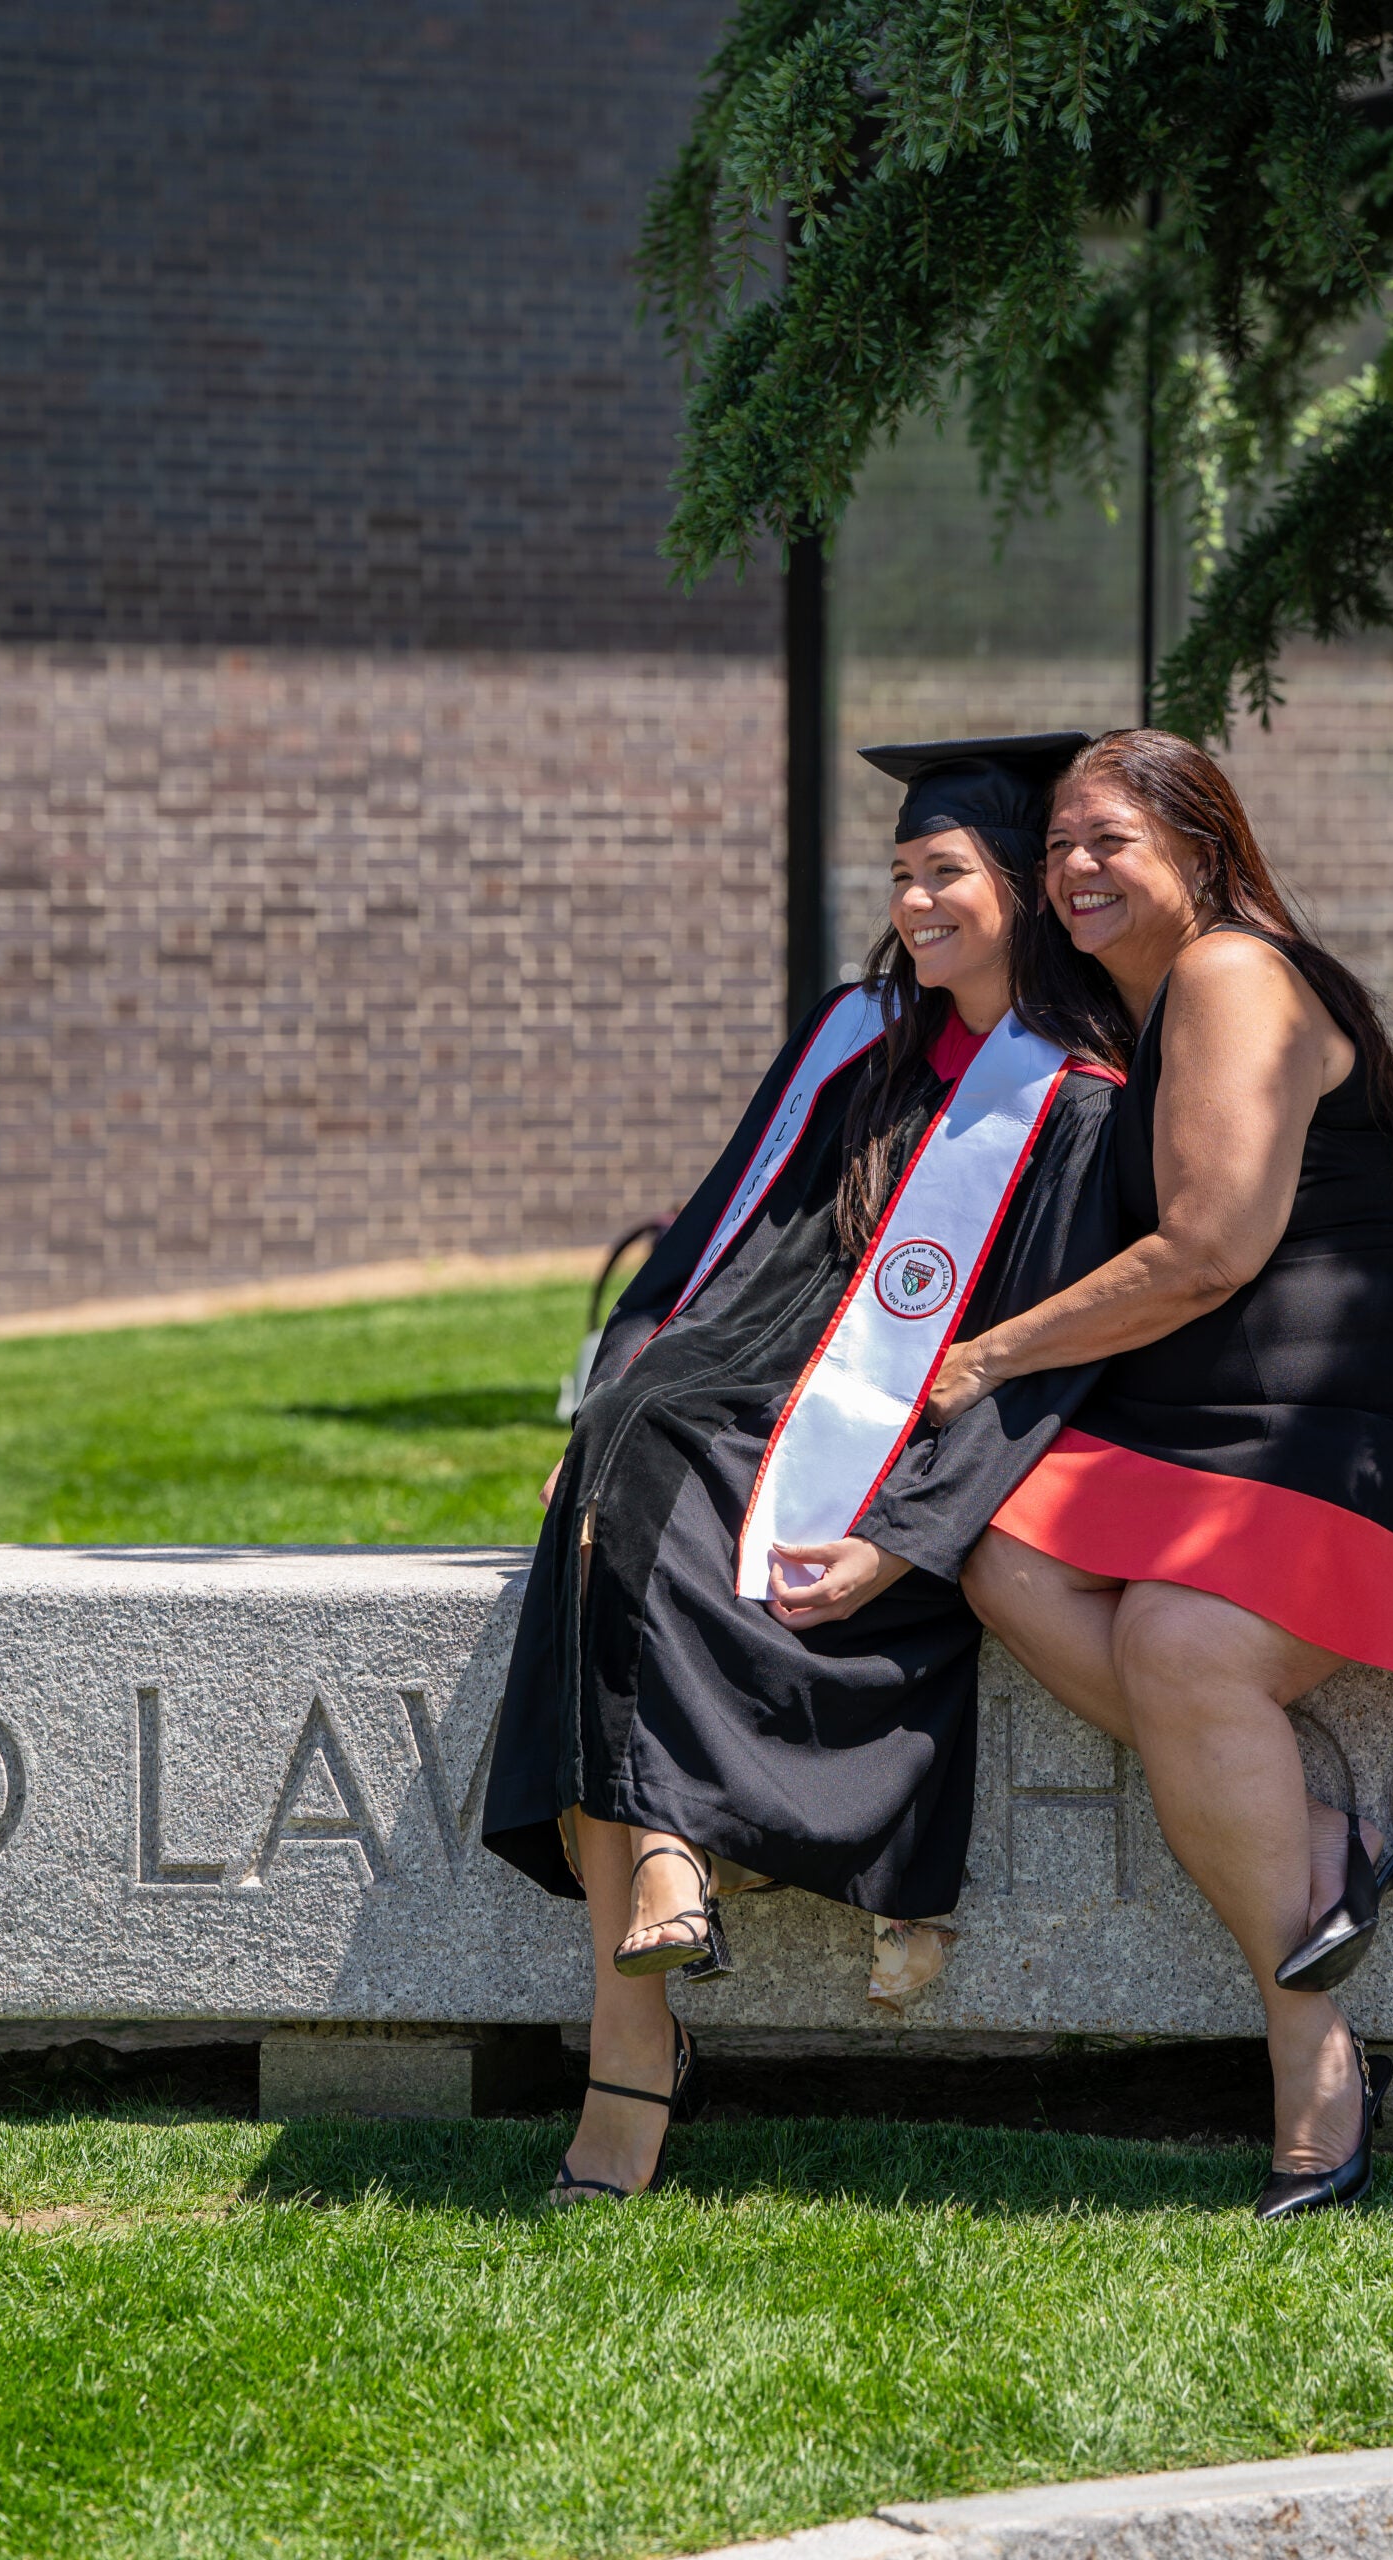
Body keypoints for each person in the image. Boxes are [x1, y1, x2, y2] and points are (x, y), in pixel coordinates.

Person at [483, 734, 1126, 2206]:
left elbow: (1045, 1358)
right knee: (627, 1447)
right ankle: (660, 1891)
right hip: (756, 1358)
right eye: (902, 874)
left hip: (905, 1413)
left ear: (1026, 889)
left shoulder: (1081, 1094)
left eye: (946, 873)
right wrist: (617, 1389)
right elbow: (712, 1226)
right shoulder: (858, 1039)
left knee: (652, 1466)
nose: (913, 903)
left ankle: (637, 2018)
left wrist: (907, 1531)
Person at [933, 729, 1393, 2221]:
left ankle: (1307, 2050)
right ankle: (1325, 1839)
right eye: (1060, 843)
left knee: (1179, 1638)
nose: (1076, 867)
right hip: (1243, 1425)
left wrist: (993, 1357)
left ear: (1202, 850)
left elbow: (1208, 1252)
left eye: (1111, 840)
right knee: (988, 1537)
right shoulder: (1137, 1013)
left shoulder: (1232, 975)